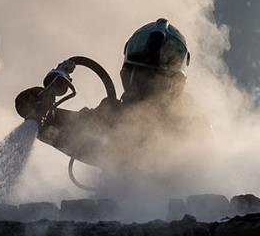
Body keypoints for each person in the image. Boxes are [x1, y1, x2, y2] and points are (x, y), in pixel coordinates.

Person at [15, 18, 207, 186]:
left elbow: (110, 148)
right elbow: (75, 133)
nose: (139, 88)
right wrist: (41, 109)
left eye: (151, 82)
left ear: (174, 85)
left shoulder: (190, 127)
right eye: (137, 78)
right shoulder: (113, 114)